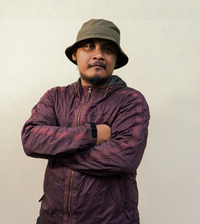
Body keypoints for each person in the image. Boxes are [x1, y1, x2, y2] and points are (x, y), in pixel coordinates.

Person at [22, 19, 150, 224]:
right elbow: (31, 138)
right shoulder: (55, 97)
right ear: (75, 54)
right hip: (51, 219)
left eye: (108, 49)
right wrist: (92, 133)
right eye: (89, 46)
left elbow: (124, 157)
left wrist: (59, 152)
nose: (98, 54)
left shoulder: (130, 101)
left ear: (116, 60)